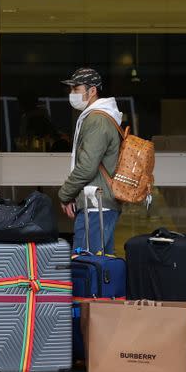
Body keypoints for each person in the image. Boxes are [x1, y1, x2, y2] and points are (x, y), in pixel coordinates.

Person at [57, 68, 123, 254]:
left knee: (87, 265)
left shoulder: (97, 120)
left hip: (96, 205)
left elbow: (87, 166)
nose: (72, 94)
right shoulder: (97, 117)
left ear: (92, 90)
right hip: (99, 204)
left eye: (76, 89)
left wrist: (65, 194)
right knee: (100, 267)